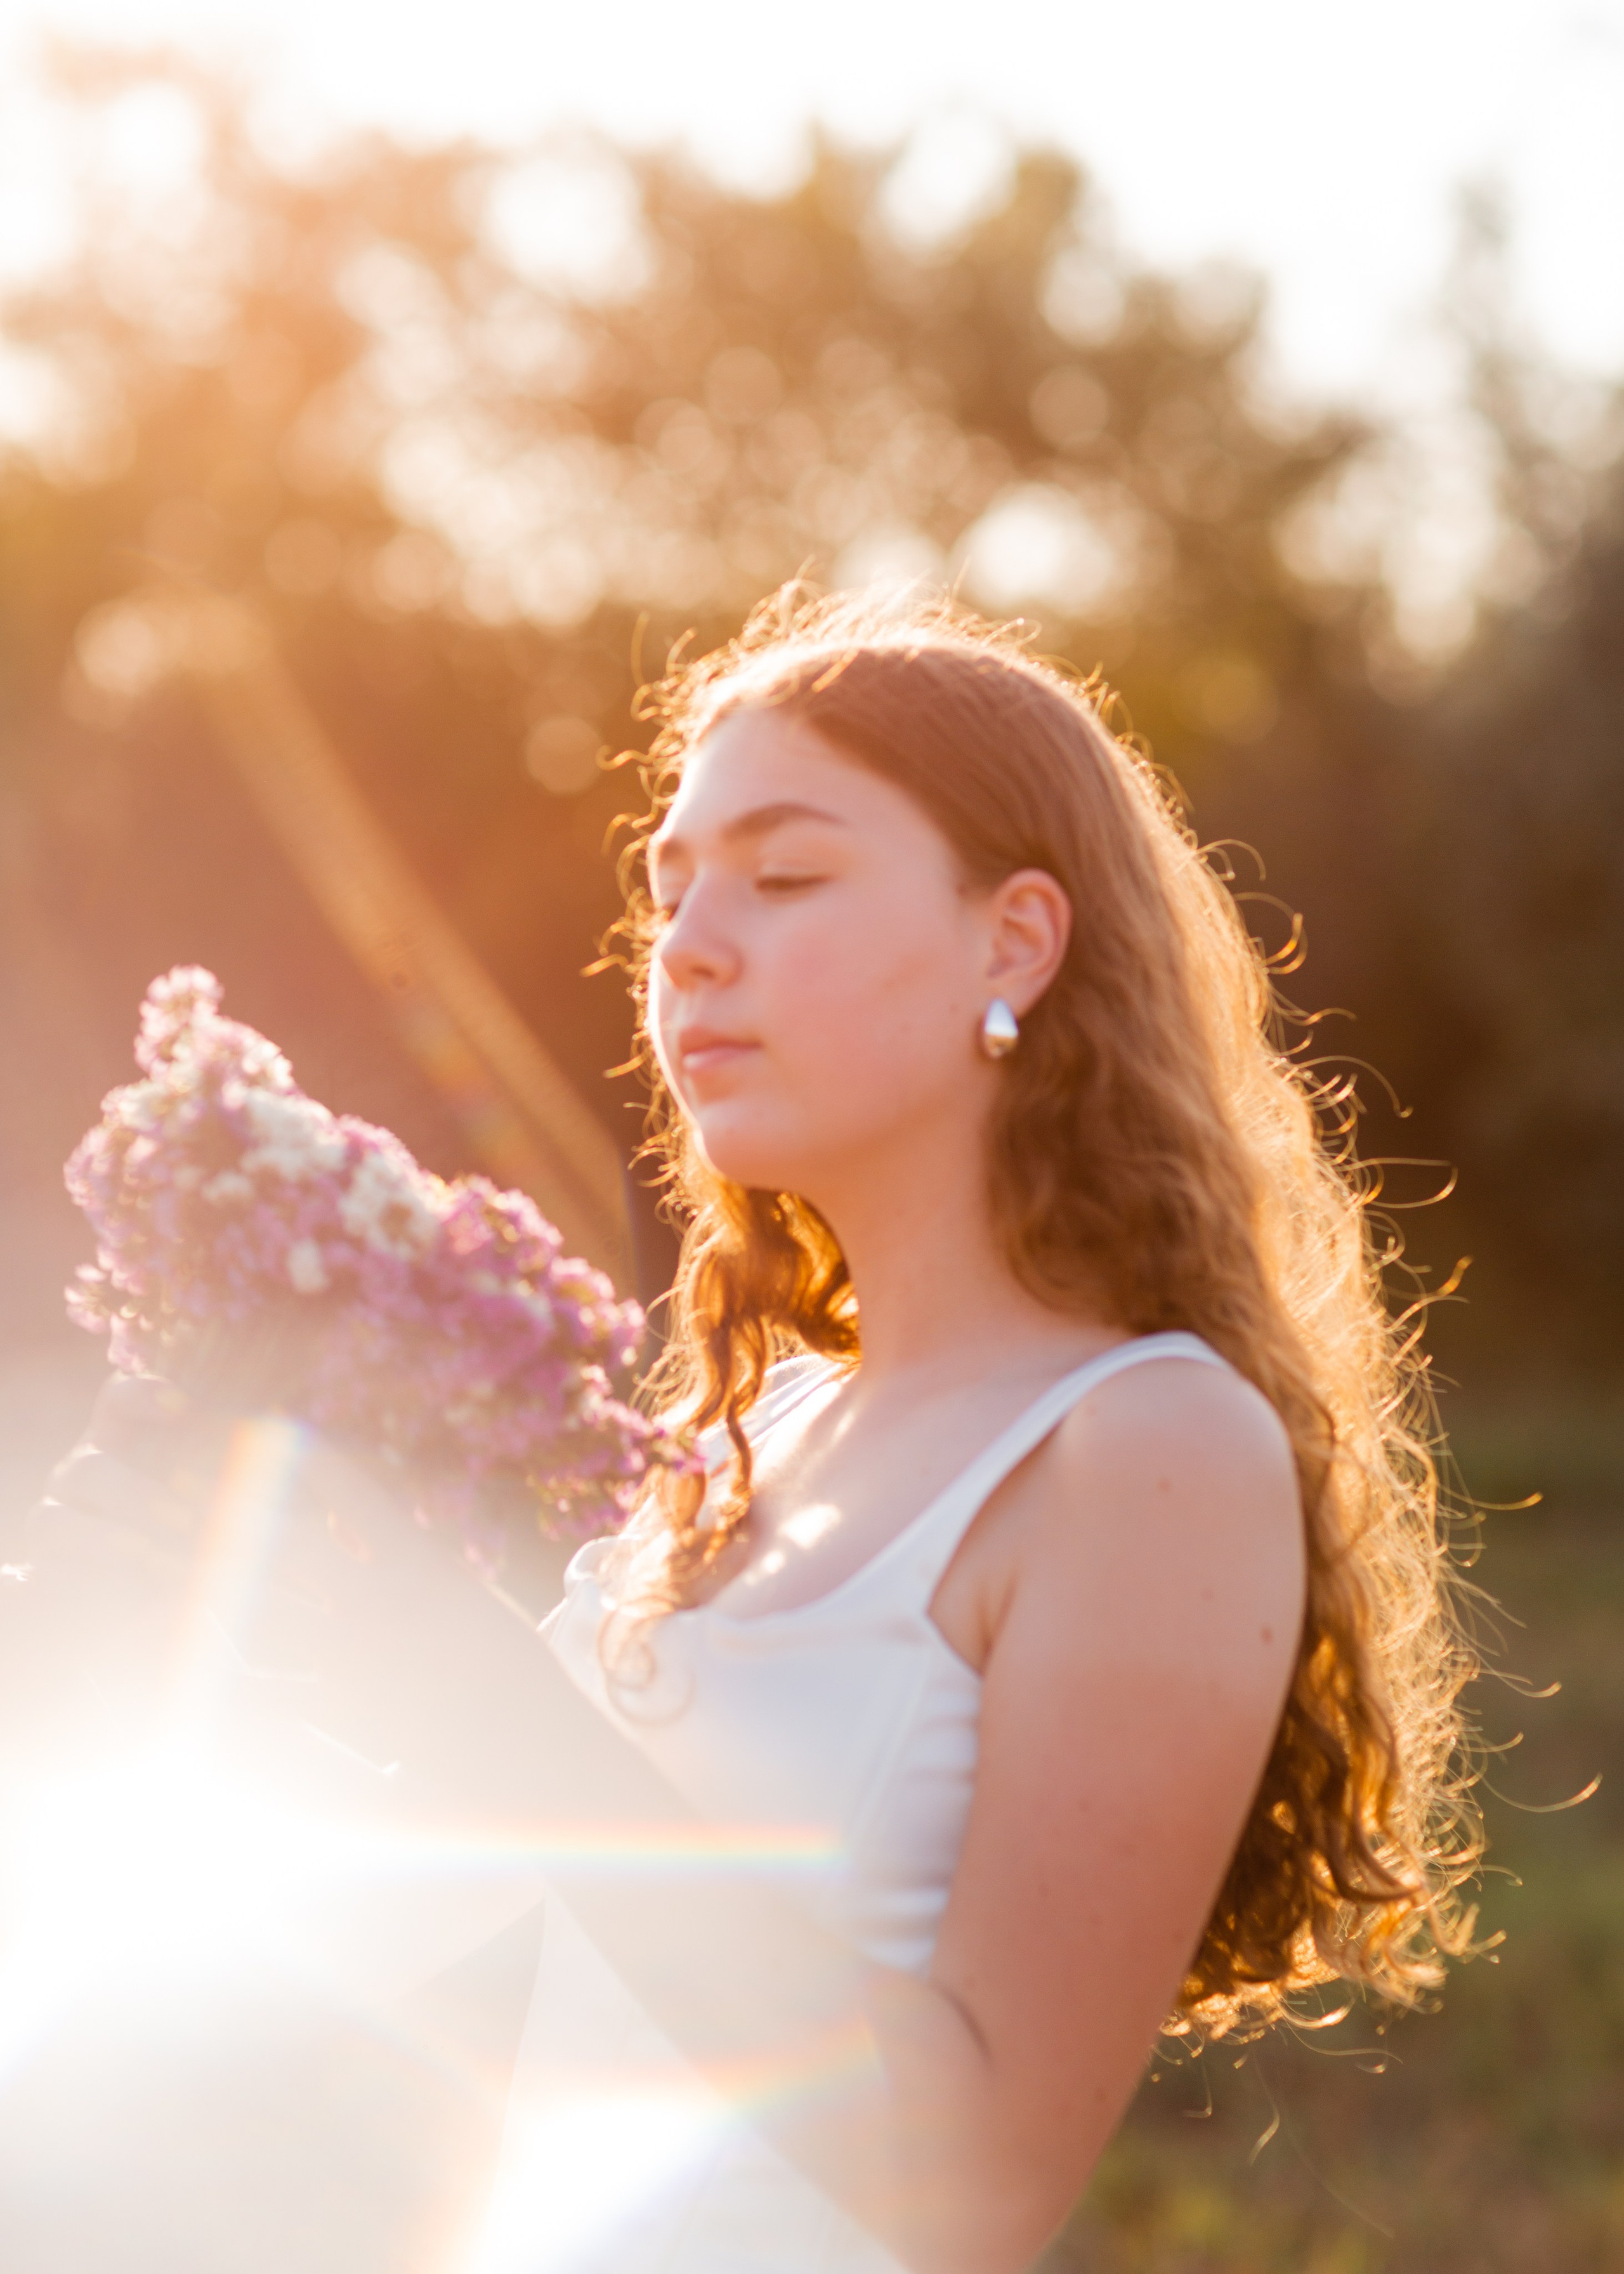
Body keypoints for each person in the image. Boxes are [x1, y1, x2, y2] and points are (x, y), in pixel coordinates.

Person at [15, 586, 1479, 2274]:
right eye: (672, 890)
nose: (695, 941)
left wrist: (487, 1698)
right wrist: (197, 1623)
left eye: (783, 877)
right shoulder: (759, 1428)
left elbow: (983, 2188)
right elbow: (530, 1939)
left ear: (1015, 941)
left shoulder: (1146, 1447)